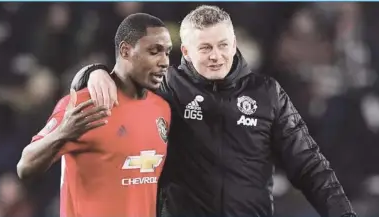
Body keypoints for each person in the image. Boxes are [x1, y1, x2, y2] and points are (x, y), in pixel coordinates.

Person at [71, 5, 356, 217]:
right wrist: (93, 73)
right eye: (205, 47)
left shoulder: (267, 92)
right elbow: (105, 82)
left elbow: (308, 164)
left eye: (223, 45)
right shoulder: (166, 86)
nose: (216, 56)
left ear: (234, 44)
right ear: (185, 52)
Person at [17, 13, 172, 217]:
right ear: (125, 50)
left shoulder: (162, 109)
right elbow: (25, 167)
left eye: (167, 53)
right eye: (154, 52)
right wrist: (62, 133)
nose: (164, 62)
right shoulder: (84, 103)